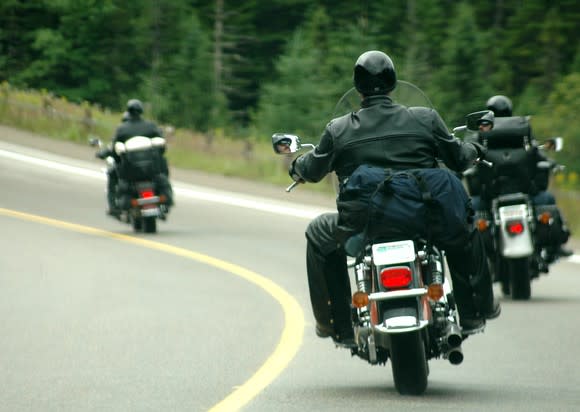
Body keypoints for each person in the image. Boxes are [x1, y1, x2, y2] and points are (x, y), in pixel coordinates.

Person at [289, 50, 500, 345]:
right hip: (425, 218)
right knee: (466, 224)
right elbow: (458, 158)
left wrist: (296, 165)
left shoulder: (338, 129)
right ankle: (474, 311)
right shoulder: (424, 118)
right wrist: (474, 150)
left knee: (318, 233)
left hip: (364, 223)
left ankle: (336, 325)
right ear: (392, 82)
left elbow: (312, 169)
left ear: (358, 86)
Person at [479, 95, 572, 258]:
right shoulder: (521, 130)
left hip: (492, 194)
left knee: (471, 209)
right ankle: (556, 248)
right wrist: (552, 164)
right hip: (526, 191)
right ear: (509, 110)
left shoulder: (482, 132)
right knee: (548, 200)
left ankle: (473, 259)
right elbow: (537, 154)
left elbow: (470, 156)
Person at [98, 99, 172, 216]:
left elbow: (114, 149)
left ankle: (113, 207)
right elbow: (162, 148)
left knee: (112, 175)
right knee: (163, 165)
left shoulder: (122, 129)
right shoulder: (150, 126)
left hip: (130, 173)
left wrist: (104, 154)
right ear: (141, 111)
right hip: (151, 171)